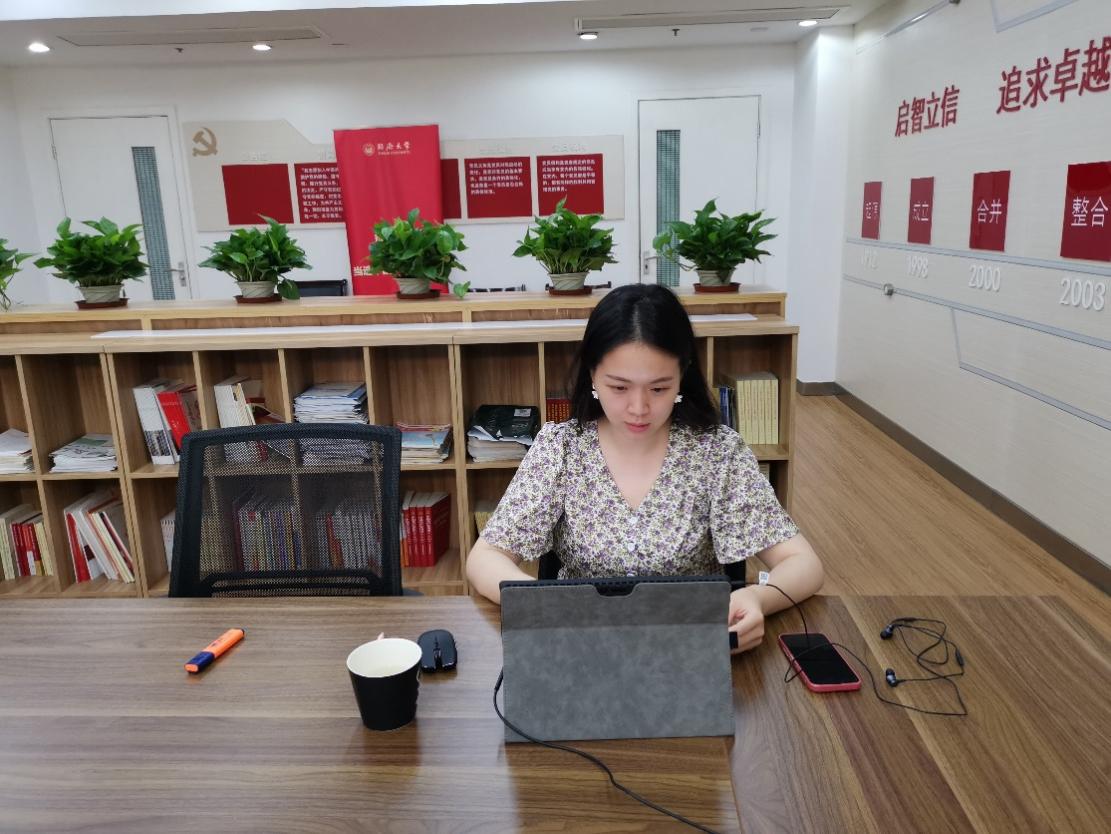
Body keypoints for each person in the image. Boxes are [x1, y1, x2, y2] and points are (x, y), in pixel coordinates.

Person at [466, 284, 824, 652]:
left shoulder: (717, 452)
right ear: (592, 374)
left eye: (658, 389)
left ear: (682, 375)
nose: (638, 408)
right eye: (619, 388)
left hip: (691, 650)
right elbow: (485, 559)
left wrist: (757, 598)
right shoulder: (562, 448)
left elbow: (804, 564)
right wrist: (546, 606)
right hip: (583, 648)